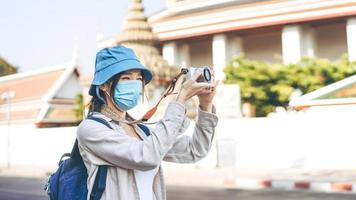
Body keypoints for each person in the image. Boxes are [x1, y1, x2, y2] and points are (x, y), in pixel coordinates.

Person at [77, 45, 219, 200]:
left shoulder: (141, 131)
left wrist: (205, 105)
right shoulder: (91, 129)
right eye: (126, 78)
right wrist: (180, 100)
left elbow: (195, 151)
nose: (135, 84)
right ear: (104, 85)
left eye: (138, 78)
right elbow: (146, 156)